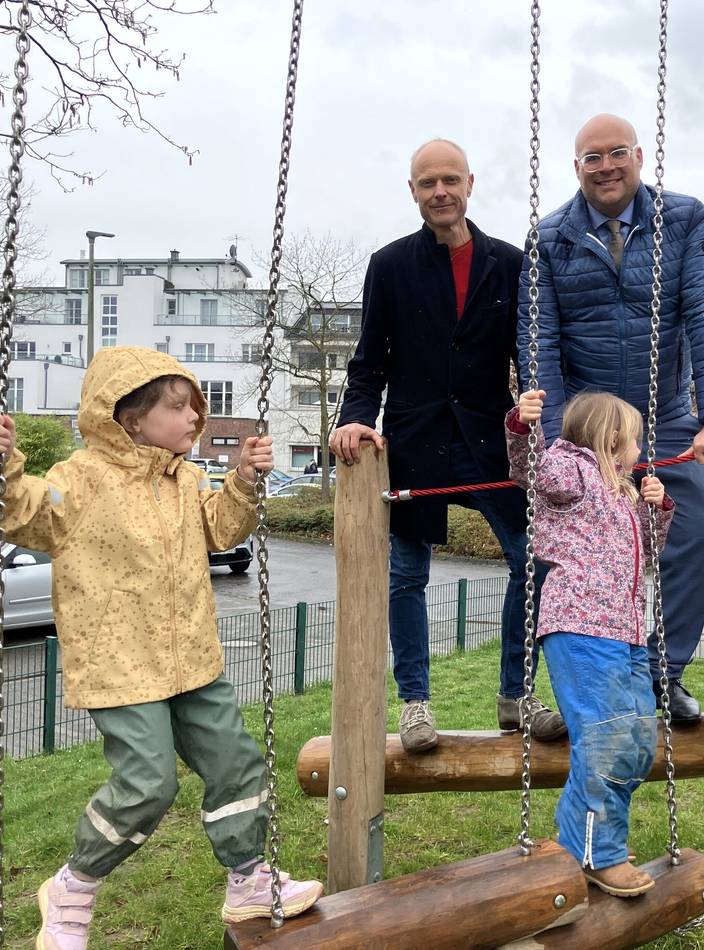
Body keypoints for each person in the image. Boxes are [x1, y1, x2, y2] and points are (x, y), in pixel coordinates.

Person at [0, 347, 322, 949]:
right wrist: (6, 467)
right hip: (119, 663)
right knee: (149, 785)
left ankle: (247, 878)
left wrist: (246, 480)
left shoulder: (188, 479)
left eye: (195, 407)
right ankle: (73, 886)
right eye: (178, 408)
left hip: (192, 657)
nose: (195, 418)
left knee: (238, 765)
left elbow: (221, 531)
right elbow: (27, 517)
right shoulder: (82, 478)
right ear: (129, 418)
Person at [330, 138, 565, 753]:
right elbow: (368, 361)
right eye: (427, 182)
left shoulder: (512, 264)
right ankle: (415, 705)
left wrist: (543, 415)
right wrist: (355, 418)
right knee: (406, 576)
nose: (440, 192)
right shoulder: (389, 265)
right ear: (413, 191)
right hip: (416, 441)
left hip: (492, 439)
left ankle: (516, 694)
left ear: (469, 184)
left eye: (450, 181)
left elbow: (532, 354)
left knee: (532, 562)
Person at [520, 113, 704, 722]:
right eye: (593, 157)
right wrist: (557, 434)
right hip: (586, 421)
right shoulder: (551, 238)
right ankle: (558, 687)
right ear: (577, 168)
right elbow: (539, 340)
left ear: (639, 156)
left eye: (617, 153)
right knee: (561, 535)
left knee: (695, 523)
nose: (607, 166)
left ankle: (665, 674)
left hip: (663, 412)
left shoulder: (683, 219)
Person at [506, 388, 673, 897]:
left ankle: (586, 839)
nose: (640, 451)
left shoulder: (622, 488)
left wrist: (658, 507)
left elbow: (650, 548)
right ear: (613, 437)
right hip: (580, 627)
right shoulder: (570, 468)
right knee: (607, 738)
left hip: (625, 634)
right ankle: (595, 853)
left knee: (640, 738)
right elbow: (530, 470)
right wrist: (522, 425)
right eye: (635, 440)